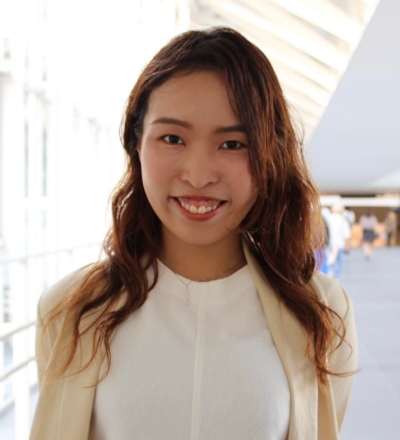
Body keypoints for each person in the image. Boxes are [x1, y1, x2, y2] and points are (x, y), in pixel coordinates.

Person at [30, 28, 357, 440]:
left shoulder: (321, 313)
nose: (199, 175)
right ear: (136, 146)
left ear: (269, 155)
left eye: (233, 144)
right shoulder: (71, 312)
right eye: (172, 138)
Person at [327, 204, 351, 279]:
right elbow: (347, 234)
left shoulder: (329, 218)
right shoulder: (343, 220)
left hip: (330, 242)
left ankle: (330, 272)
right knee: (339, 260)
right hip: (340, 243)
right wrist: (347, 245)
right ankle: (337, 275)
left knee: (330, 258)